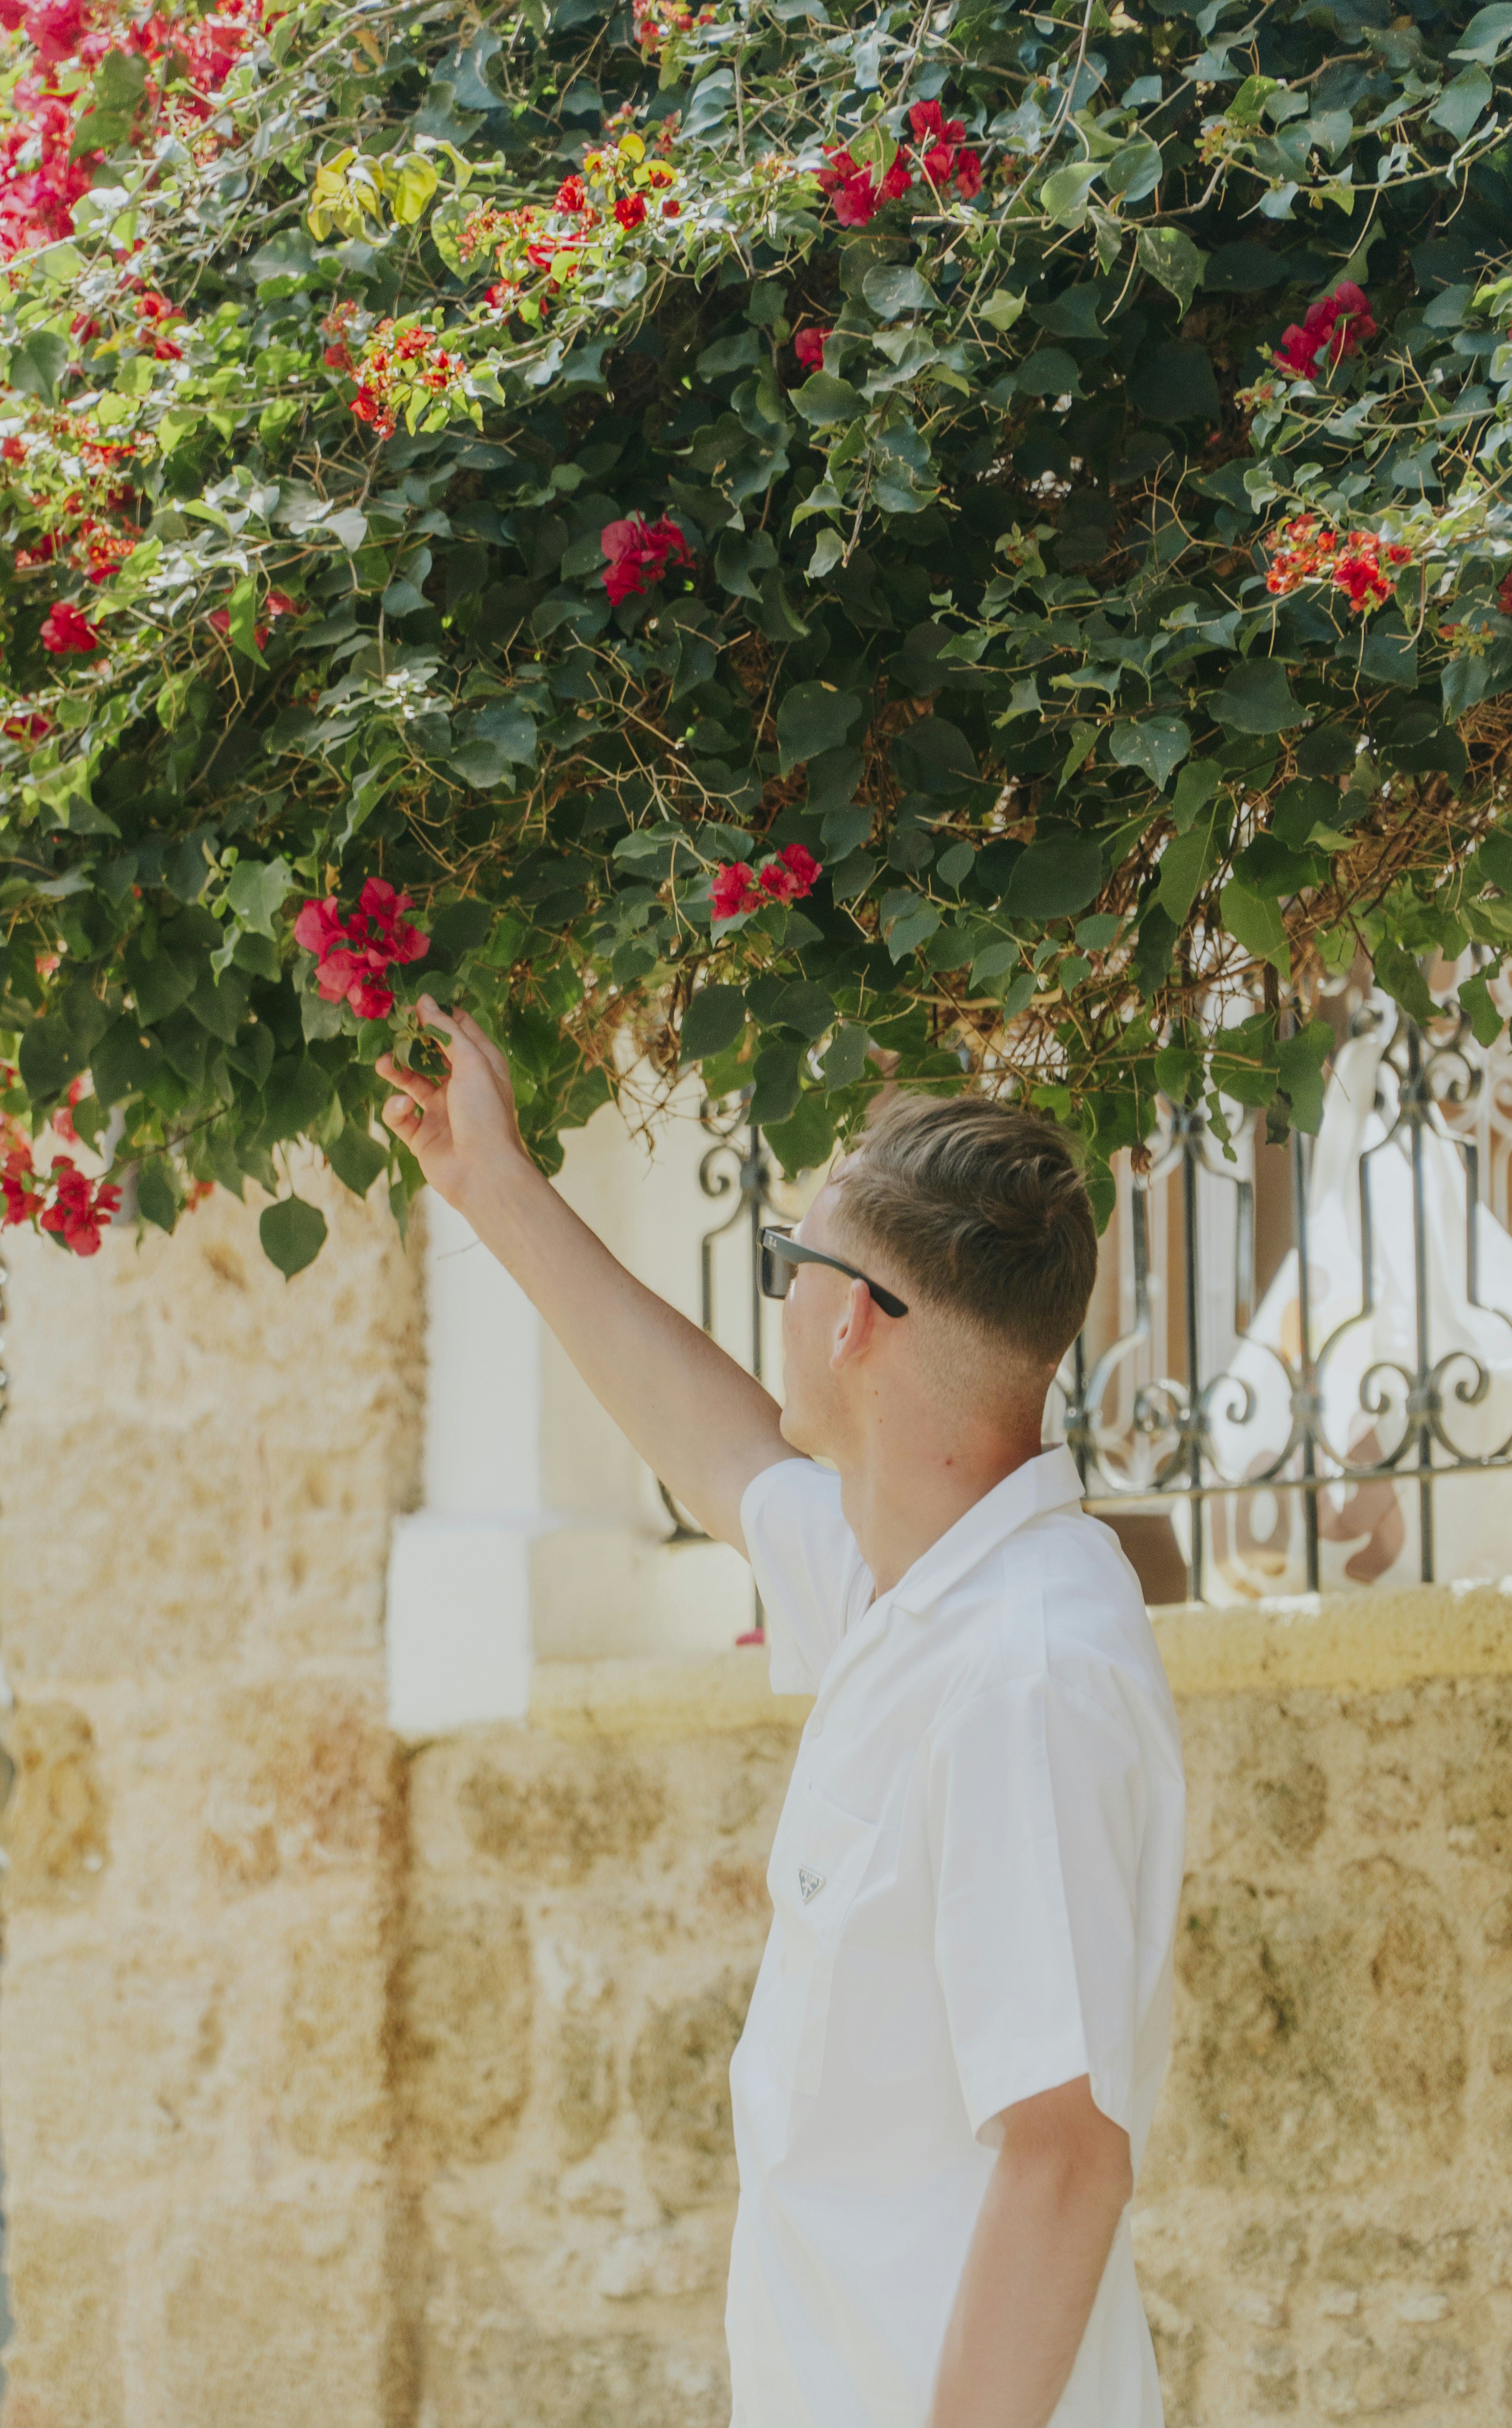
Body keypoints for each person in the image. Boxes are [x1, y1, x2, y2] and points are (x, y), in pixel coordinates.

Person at [377, 1000, 1185, 2428]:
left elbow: (1068, 2159)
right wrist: (489, 1180)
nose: (782, 1294)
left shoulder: (1026, 1669)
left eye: (792, 1262)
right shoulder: (922, 1578)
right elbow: (723, 1451)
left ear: (853, 1318)